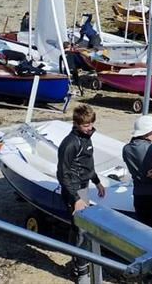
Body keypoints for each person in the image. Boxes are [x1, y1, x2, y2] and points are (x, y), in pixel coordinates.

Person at [56, 104, 106, 283]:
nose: (89, 128)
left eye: (91, 124)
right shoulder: (70, 143)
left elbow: (87, 165)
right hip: (74, 190)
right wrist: (75, 199)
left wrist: (97, 182)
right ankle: (81, 271)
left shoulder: (87, 137)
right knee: (82, 231)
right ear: (76, 123)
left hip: (83, 187)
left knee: (77, 228)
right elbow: (62, 174)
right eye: (86, 125)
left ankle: (77, 263)